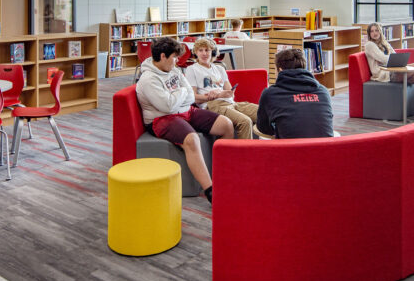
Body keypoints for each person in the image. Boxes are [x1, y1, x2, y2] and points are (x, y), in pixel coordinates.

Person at [136, 37, 234, 203]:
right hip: (161, 119)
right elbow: (167, 106)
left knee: (226, 125)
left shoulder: (173, 70)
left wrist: (179, 95)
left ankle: (223, 174)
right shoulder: (148, 79)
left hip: (186, 110)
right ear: (162, 56)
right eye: (174, 57)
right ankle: (210, 190)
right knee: (192, 139)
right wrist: (181, 92)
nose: (176, 61)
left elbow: (190, 96)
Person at [185, 37, 258, 139]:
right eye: (200, 50)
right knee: (245, 121)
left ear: (213, 52)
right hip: (212, 105)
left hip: (231, 103)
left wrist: (228, 93)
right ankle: (244, 154)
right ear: (196, 53)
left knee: (262, 112)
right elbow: (193, 97)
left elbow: (229, 92)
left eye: (207, 50)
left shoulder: (220, 68)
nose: (204, 53)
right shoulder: (192, 69)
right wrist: (216, 96)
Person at [256, 47, 333, 139]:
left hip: (290, 151)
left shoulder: (270, 94)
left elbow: (263, 128)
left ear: (280, 70)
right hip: (325, 150)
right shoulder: (323, 91)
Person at [362, 22, 414, 119]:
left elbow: (395, 56)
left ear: (380, 31)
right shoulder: (370, 45)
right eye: (372, 31)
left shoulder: (385, 43)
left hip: (395, 69)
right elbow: (382, 58)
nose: (374, 33)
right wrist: (392, 59)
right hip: (384, 74)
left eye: (376, 30)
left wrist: (394, 59)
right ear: (369, 34)